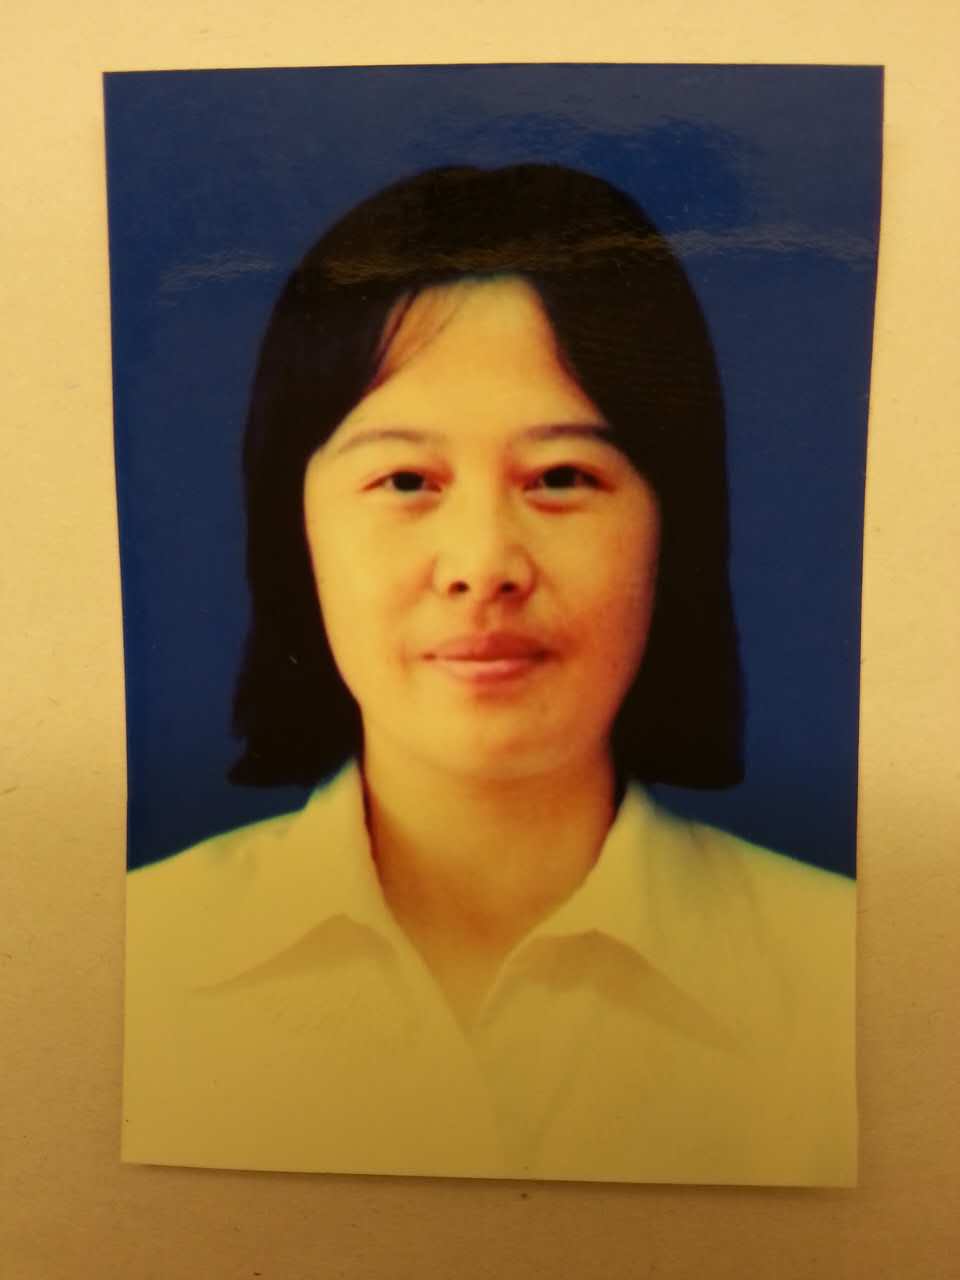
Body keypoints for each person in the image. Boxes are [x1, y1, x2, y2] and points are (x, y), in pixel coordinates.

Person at [123, 165, 856, 1185]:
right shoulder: (126, 963)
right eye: (406, 480)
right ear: (296, 532)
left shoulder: (855, 976)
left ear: (672, 527)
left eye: (560, 476)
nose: (482, 563)